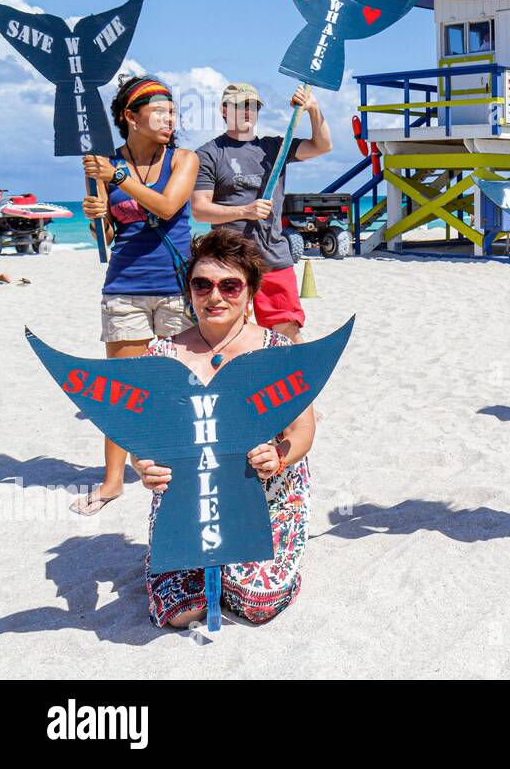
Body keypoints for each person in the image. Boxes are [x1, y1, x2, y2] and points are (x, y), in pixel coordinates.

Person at [130, 230, 315, 627]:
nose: (215, 296)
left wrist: (280, 455)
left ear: (249, 293)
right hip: (189, 501)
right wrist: (143, 466)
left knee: (256, 603)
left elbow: (303, 431)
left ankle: (277, 568)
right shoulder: (161, 354)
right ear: (190, 291)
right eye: (203, 284)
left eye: (230, 285)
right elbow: (141, 440)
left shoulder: (278, 351)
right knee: (183, 612)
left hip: (266, 495)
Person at [77, 75, 197, 516]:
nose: (170, 119)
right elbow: (107, 235)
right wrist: (96, 217)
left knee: (180, 386)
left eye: (173, 112)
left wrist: (118, 178)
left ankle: (184, 465)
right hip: (125, 285)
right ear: (131, 116)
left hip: (174, 288)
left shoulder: (184, 158)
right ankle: (112, 481)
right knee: (122, 390)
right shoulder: (104, 165)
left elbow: (167, 206)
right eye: (160, 112)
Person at [192, 83, 333, 343]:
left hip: (273, 256)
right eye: (240, 105)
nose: (248, 111)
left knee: (286, 331)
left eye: (253, 106)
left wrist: (313, 109)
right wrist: (246, 210)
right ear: (224, 110)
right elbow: (200, 210)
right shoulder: (209, 154)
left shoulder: (274, 147)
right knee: (230, 334)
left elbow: (322, 146)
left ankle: (296, 380)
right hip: (229, 261)